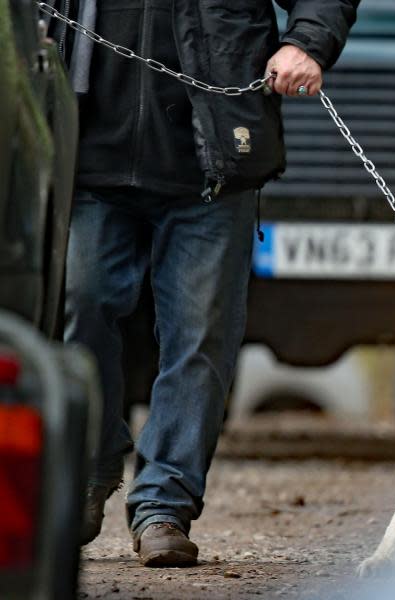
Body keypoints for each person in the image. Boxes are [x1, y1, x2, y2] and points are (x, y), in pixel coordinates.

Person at [57, 0, 361, 567]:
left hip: (214, 159)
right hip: (86, 155)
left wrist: (306, 44)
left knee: (201, 336)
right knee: (79, 305)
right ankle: (89, 465)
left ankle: (163, 507)